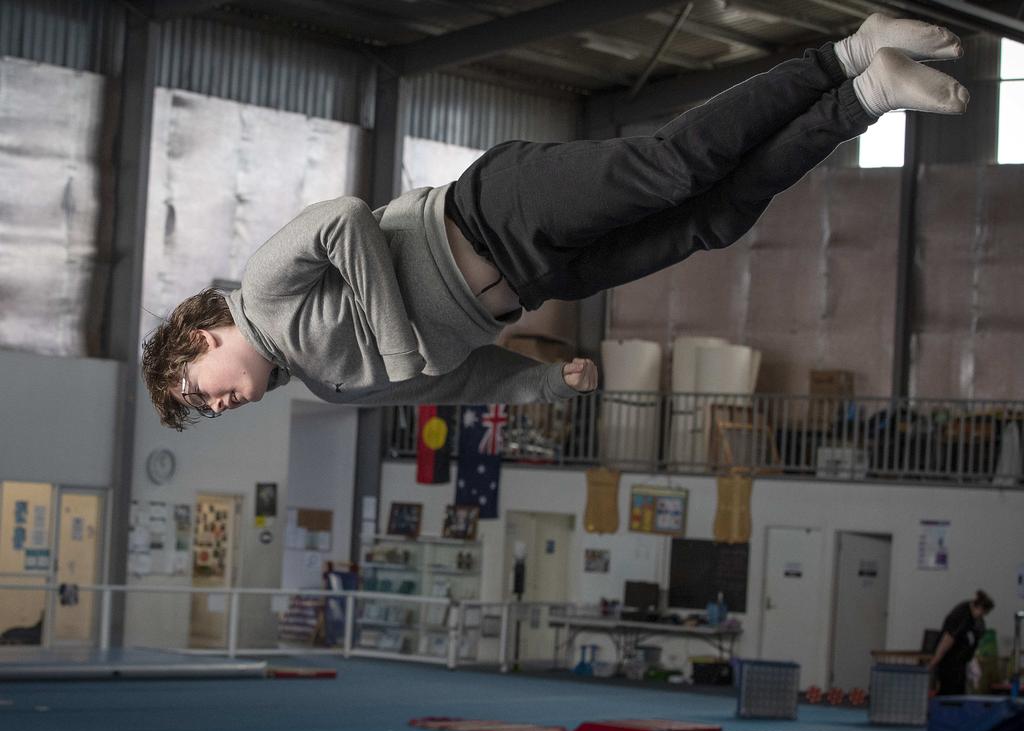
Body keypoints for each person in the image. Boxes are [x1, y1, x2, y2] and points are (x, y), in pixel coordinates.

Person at [142, 14, 968, 430]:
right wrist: (543, 382)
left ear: (202, 339)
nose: (212, 408)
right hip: (538, 281)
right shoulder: (327, 383)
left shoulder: (263, 285)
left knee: (674, 166)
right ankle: (869, 98)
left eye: (194, 393)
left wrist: (394, 339)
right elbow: (458, 381)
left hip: (494, 209)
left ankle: (847, 54)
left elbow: (344, 222)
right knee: (710, 223)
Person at [928, 589, 995, 695]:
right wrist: (935, 660)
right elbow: (947, 639)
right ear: (979, 607)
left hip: (961, 663)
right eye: (983, 613)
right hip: (949, 662)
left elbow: (974, 639)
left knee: (959, 691)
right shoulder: (961, 615)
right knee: (949, 691)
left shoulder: (976, 619)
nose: (982, 616)